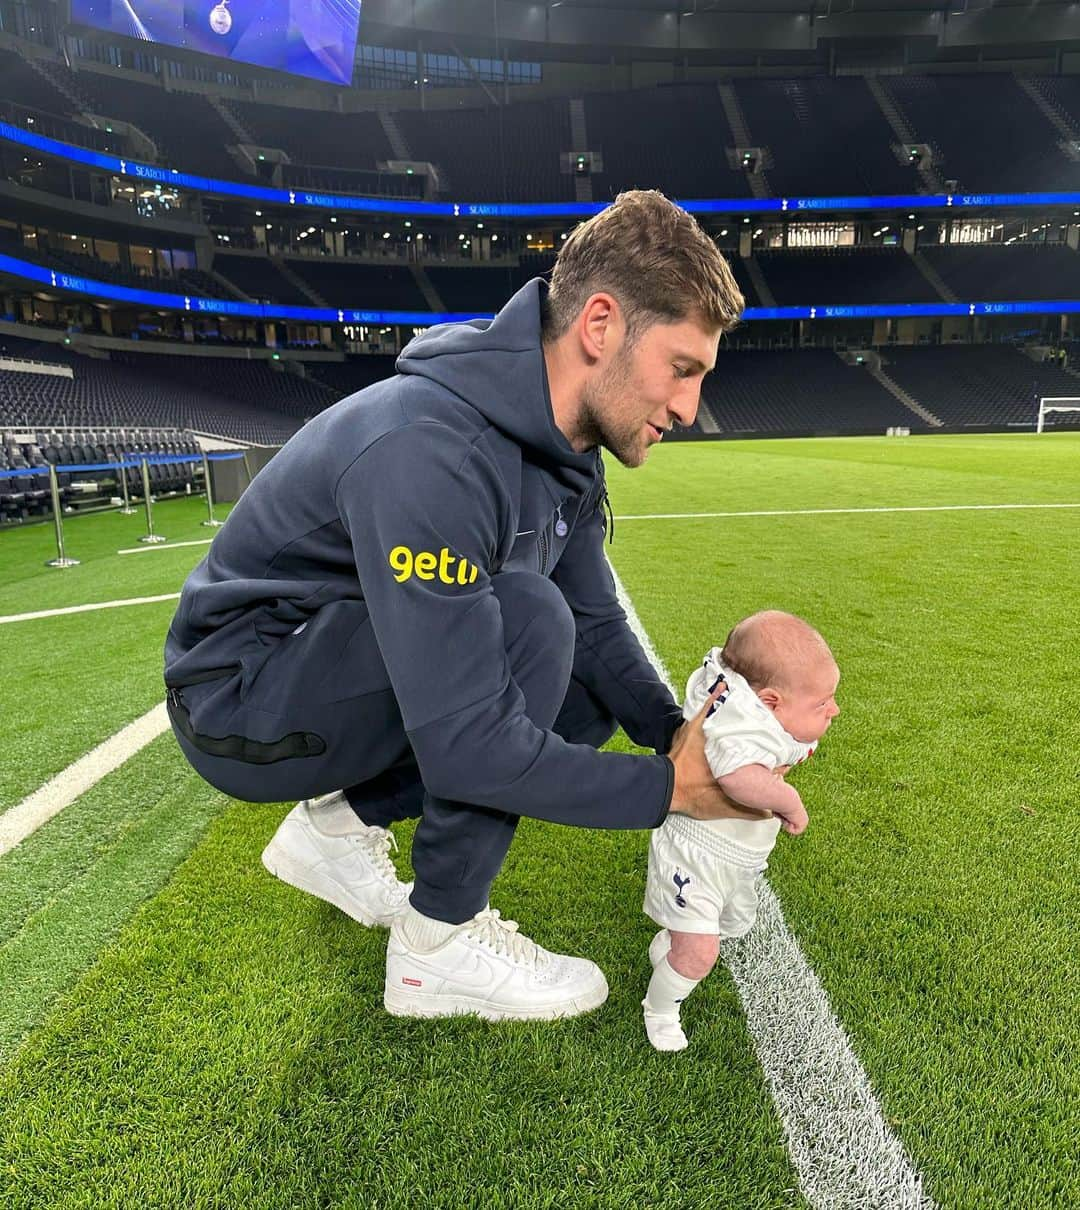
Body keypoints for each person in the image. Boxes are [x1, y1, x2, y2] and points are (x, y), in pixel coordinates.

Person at [164, 189, 747, 1023]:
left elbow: (596, 619)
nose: (689, 408)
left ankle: (336, 829)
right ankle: (435, 946)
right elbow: (474, 746)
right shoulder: (433, 449)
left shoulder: (569, 450)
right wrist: (670, 791)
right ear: (601, 325)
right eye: (682, 368)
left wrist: (674, 734)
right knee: (527, 621)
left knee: (582, 683)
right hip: (239, 699)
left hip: (337, 657)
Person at [641, 611, 840, 1051]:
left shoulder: (740, 693)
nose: (834, 710)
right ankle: (659, 1008)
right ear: (770, 702)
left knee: (731, 923)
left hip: (737, 855)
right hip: (698, 852)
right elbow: (737, 777)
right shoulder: (743, 728)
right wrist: (788, 801)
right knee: (700, 953)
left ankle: (676, 939)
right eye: (821, 703)